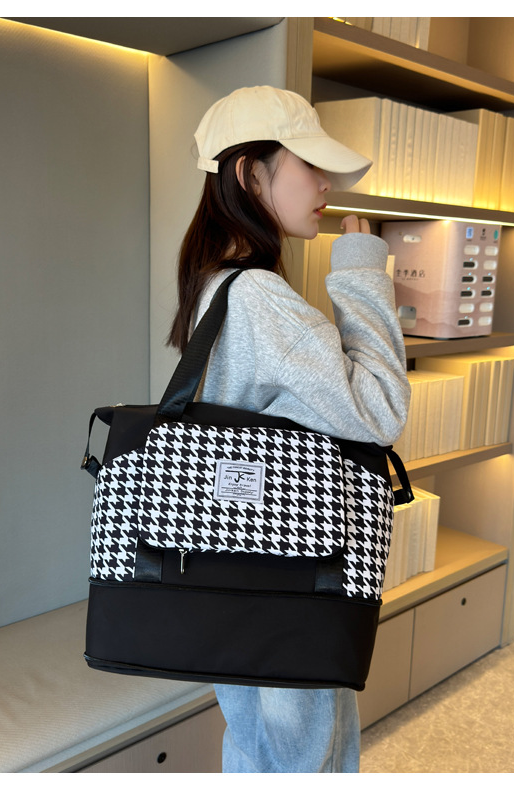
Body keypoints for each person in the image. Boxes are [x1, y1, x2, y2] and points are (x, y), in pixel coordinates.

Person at [167, 85, 411, 773]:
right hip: (286, 570)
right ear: (251, 174)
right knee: (305, 756)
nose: (327, 183)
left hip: (236, 565)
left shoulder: (215, 283)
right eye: (309, 163)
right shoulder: (260, 298)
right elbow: (380, 411)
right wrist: (363, 273)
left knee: (258, 745)